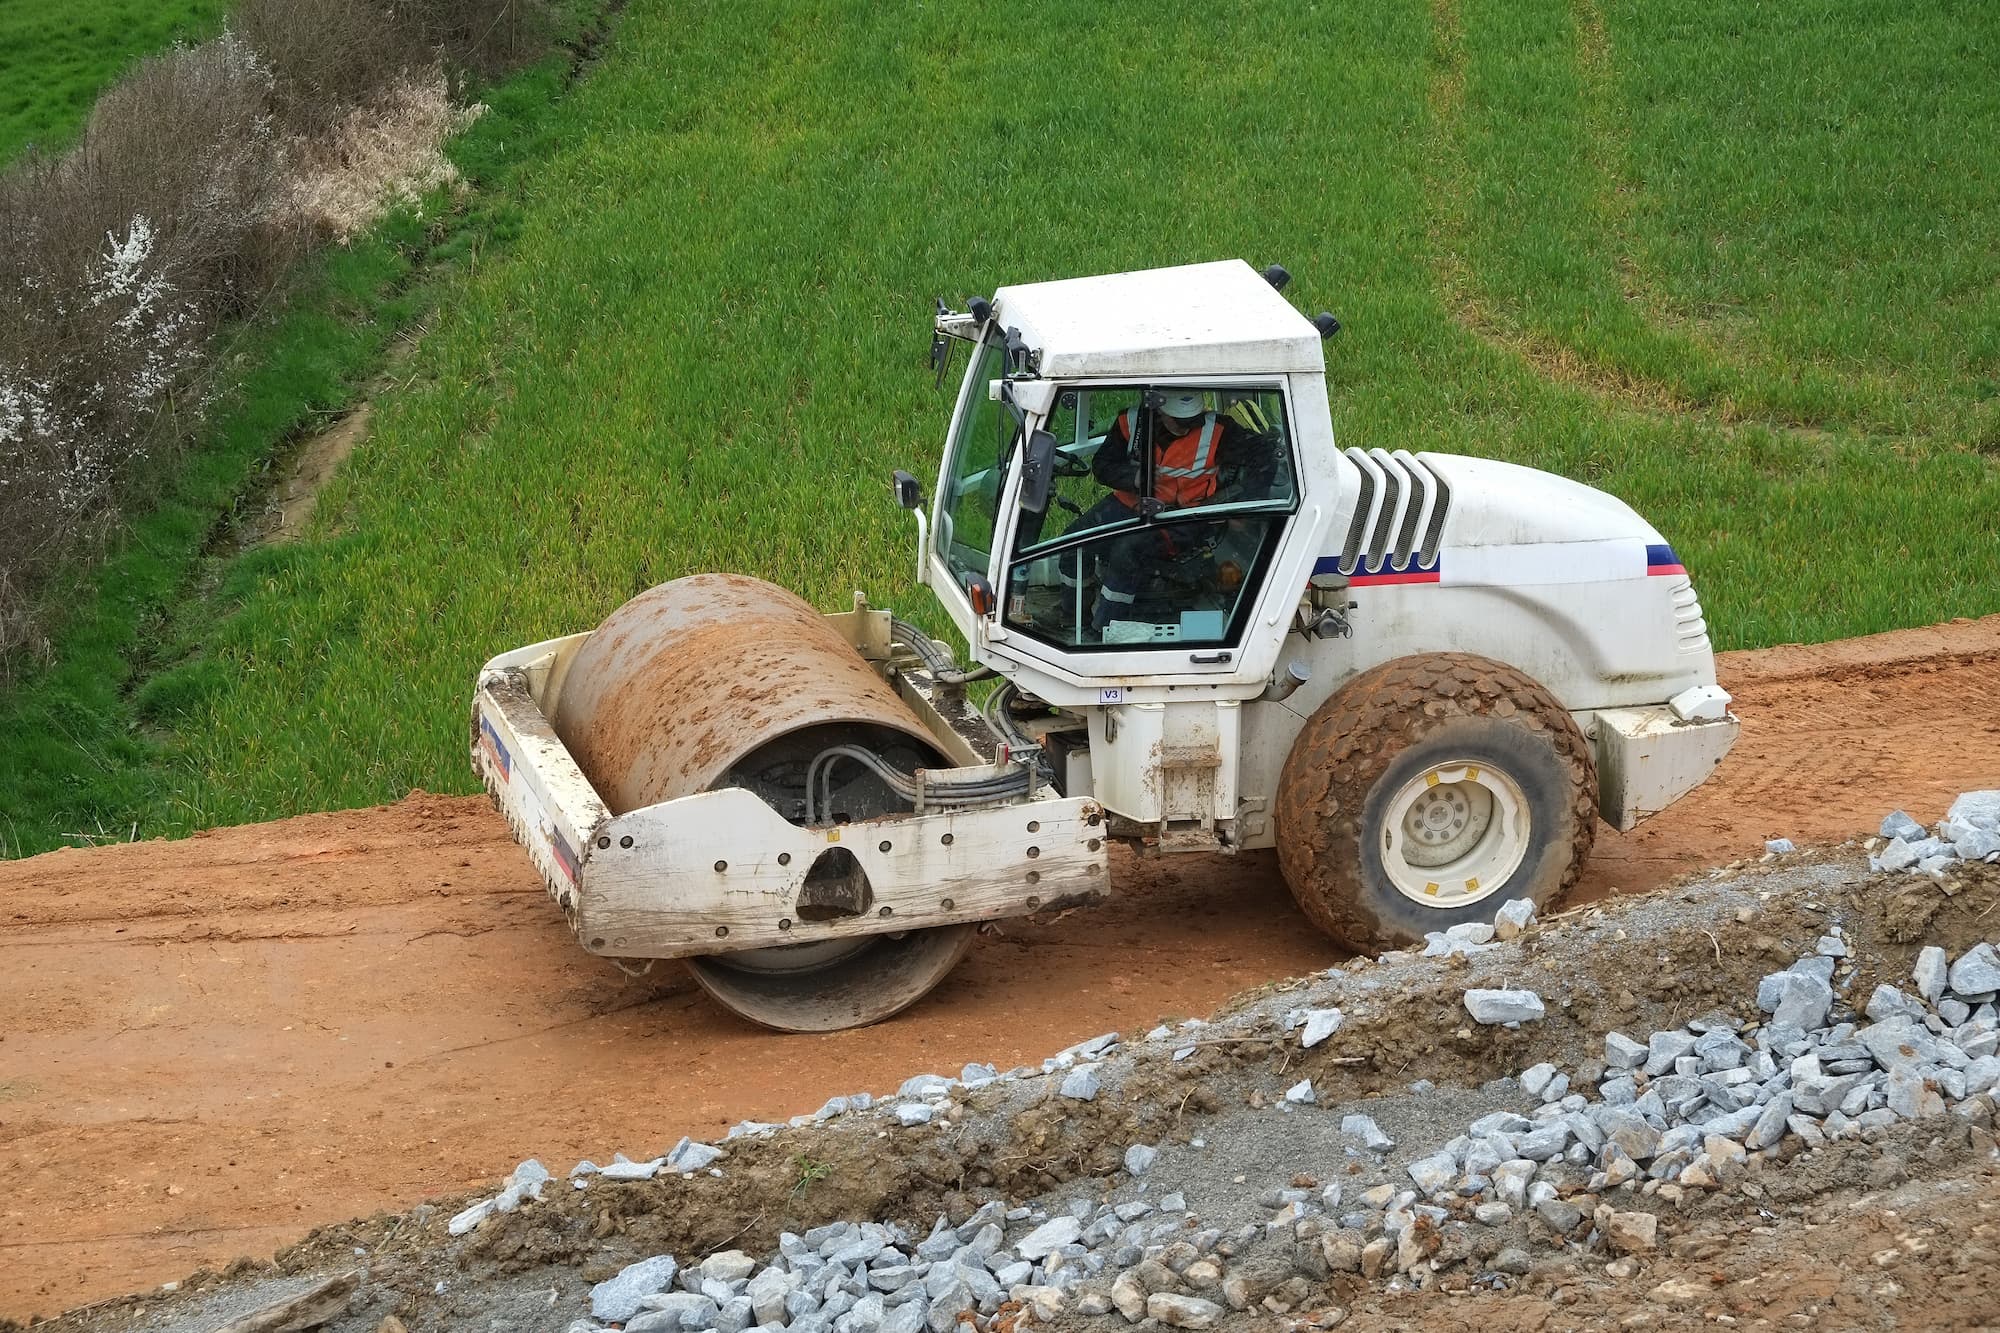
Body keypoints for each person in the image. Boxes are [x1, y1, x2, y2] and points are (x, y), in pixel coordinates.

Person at [1060, 389, 1278, 632]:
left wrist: (1246, 503)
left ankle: (1108, 628)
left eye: (1192, 423)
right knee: (1073, 539)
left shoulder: (1220, 431)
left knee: (1127, 551)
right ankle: (1072, 613)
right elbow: (1102, 466)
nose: (1186, 429)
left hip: (1183, 518)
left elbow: (1265, 455)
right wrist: (1133, 477)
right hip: (1131, 502)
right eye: (1180, 422)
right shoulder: (1131, 422)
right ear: (1159, 411)